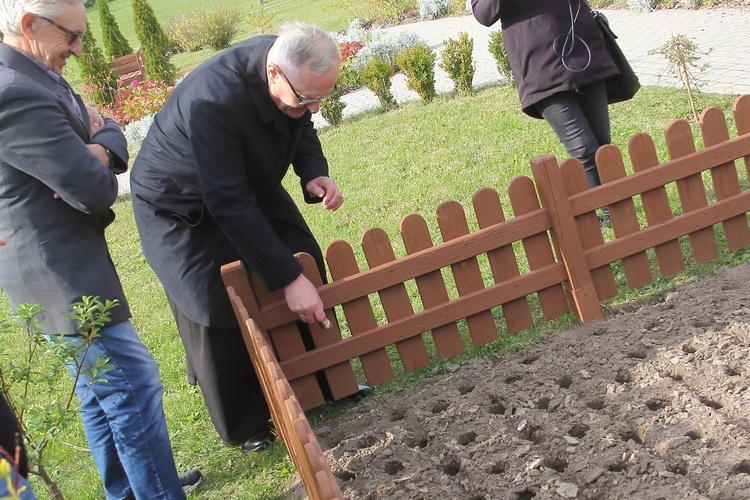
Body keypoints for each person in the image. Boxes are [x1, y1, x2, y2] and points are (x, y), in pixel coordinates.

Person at [130, 22, 371, 454]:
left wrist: (313, 170)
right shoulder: (214, 101)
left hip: (243, 182)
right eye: (307, 99)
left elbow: (302, 126)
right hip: (179, 207)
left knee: (303, 254)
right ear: (274, 74)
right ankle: (247, 424)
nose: (315, 109)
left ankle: (325, 382)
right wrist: (286, 278)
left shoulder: (289, 69)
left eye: (322, 97)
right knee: (214, 303)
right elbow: (226, 201)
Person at [0, 1, 200, 497]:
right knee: (132, 385)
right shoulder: (14, 93)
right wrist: (95, 153)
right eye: (71, 35)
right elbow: (95, 189)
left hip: (64, 262)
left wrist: (101, 145)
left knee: (98, 393)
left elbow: (103, 125)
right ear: (30, 24)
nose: (79, 48)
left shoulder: (36, 73)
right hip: (58, 273)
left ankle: (129, 491)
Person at [471, 0, 619, 218]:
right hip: (539, 63)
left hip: (581, 43)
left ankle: (615, 207)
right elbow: (484, 14)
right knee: (582, 148)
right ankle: (609, 215)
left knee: (602, 141)